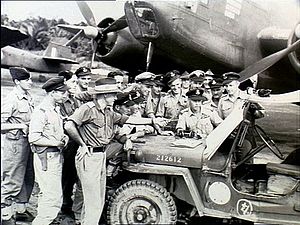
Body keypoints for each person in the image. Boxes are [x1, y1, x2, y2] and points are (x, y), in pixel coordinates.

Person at [64, 78, 168, 225]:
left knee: (97, 198)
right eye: (113, 94)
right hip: (89, 156)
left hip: (100, 156)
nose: (115, 98)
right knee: (93, 199)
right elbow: (69, 126)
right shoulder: (87, 109)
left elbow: (129, 119)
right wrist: (82, 144)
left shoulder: (108, 112)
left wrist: (152, 121)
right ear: (105, 95)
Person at [28, 77, 69, 225]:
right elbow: (33, 137)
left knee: (46, 194)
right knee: (53, 198)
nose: (66, 96)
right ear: (52, 93)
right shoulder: (42, 111)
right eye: (62, 93)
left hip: (55, 156)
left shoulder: (55, 110)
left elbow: (55, 131)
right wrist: (55, 142)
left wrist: (63, 137)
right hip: (47, 157)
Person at [1, 67, 35, 224]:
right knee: (12, 179)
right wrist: (20, 126)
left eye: (30, 79)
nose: (31, 82)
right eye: (27, 80)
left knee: (28, 177)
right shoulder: (11, 98)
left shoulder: (28, 96)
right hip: (15, 145)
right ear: (16, 82)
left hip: (28, 144)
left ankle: (21, 210)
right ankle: (5, 214)